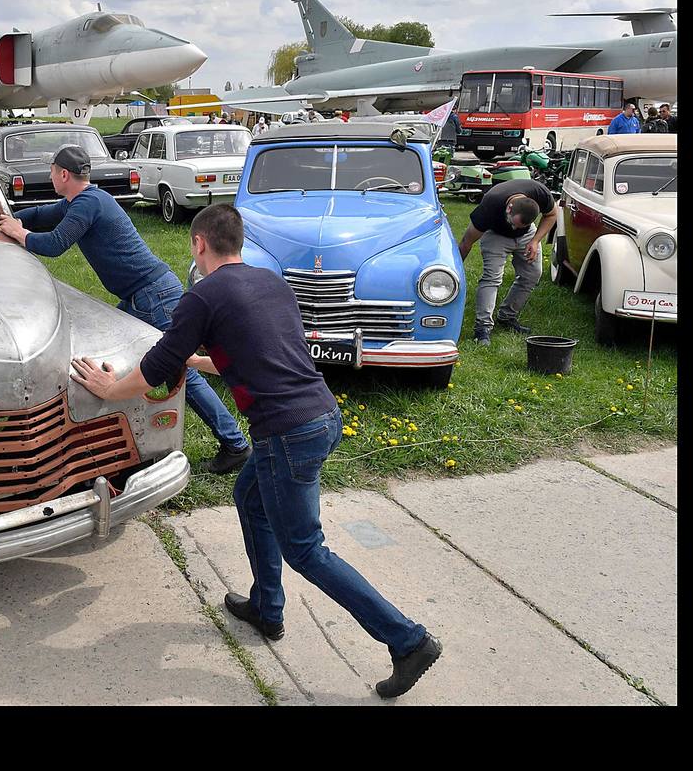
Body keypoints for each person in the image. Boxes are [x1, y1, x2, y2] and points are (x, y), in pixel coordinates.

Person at [70, 204, 442, 699]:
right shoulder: (270, 283)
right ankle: (268, 609)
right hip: (320, 415)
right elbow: (254, 354)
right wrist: (192, 359)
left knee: (306, 550)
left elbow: (154, 368)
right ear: (237, 242)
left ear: (199, 243)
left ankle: (408, 640)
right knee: (250, 498)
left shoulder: (202, 297)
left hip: (286, 433)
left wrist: (108, 387)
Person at [0, 145, 252, 474]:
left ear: (63, 174)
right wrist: (6, 223)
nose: (51, 176)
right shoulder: (85, 200)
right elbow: (43, 215)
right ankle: (112, 428)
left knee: (182, 370)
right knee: (113, 353)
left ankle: (235, 444)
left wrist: (18, 233)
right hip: (140, 294)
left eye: (53, 171)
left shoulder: (88, 204)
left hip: (153, 295)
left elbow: (54, 244)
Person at [457, 178, 559, 345]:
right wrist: (455, 272)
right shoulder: (490, 204)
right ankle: (482, 328)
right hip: (495, 234)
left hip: (528, 236)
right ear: (509, 208)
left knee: (532, 274)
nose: (514, 229)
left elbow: (553, 214)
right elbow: (466, 242)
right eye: (513, 223)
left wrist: (534, 241)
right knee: (492, 278)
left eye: (519, 225)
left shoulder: (541, 193)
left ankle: (507, 317)